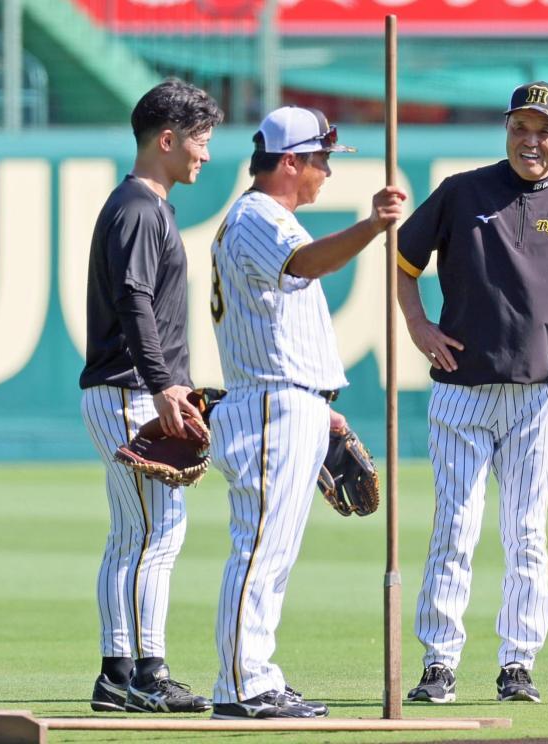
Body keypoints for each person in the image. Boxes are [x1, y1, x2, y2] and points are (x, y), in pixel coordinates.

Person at [397, 81, 548, 704]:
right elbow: (404, 259)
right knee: (455, 525)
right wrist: (417, 325)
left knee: (527, 531)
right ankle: (439, 663)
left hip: (538, 396)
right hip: (462, 390)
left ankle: (517, 665)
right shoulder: (462, 191)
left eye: (543, 130)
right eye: (519, 128)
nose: (530, 140)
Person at [207, 106, 405, 719]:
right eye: (320, 159)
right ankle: (243, 686)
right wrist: (373, 226)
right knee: (261, 549)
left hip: (290, 403)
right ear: (289, 161)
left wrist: (324, 414)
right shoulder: (260, 216)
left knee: (271, 552)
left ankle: (254, 677)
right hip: (271, 404)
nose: (325, 172)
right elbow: (307, 263)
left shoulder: (261, 217)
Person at [79, 79, 222, 713]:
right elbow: (133, 298)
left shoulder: (143, 203)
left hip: (130, 389)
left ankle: (119, 673)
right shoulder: (139, 207)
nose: (206, 155)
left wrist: (175, 381)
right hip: (130, 391)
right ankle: (142, 675)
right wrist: (164, 384)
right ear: (166, 140)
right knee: (155, 533)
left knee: (133, 535)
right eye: (199, 140)